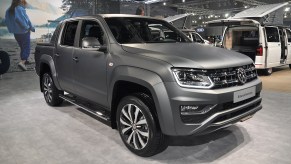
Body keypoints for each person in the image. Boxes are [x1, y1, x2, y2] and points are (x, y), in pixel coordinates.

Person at [5, 0, 35, 71]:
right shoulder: (19, 9)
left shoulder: (9, 10)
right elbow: (23, 20)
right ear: (19, 1)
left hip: (16, 33)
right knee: (26, 47)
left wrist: (12, 29)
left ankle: (25, 60)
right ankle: (22, 62)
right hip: (24, 32)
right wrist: (28, 28)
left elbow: (7, 21)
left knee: (22, 47)